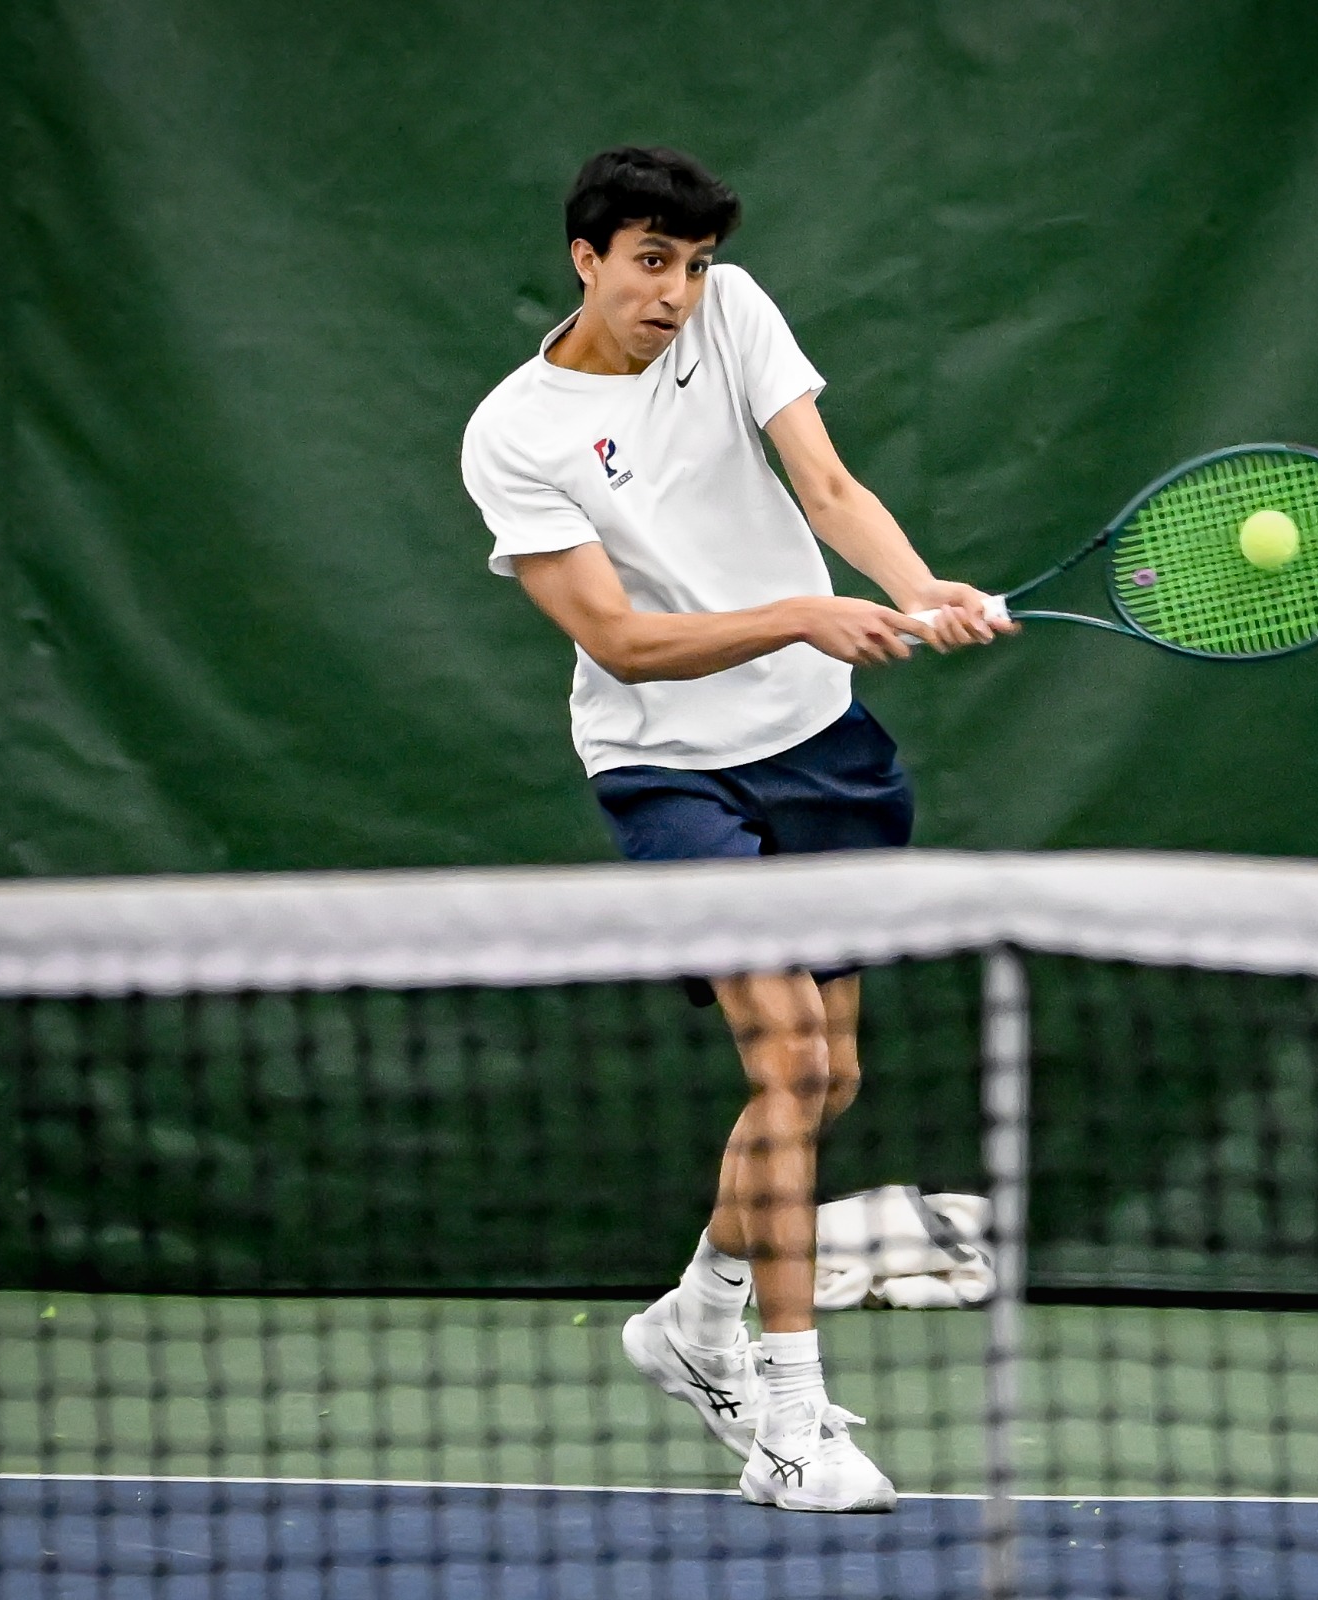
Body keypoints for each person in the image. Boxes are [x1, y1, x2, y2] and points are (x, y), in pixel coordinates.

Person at [460, 145, 1010, 1513]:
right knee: (790, 1056)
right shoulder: (514, 433)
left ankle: (694, 1318)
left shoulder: (736, 314)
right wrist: (804, 613)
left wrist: (917, 587)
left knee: (830, 1081)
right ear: (587, 258)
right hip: (667, 768)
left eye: (694, 265)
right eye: (652, 262)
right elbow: (622, 642)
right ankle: (788, 1421)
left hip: (819, 744)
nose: (677, 292)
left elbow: (828, 489)